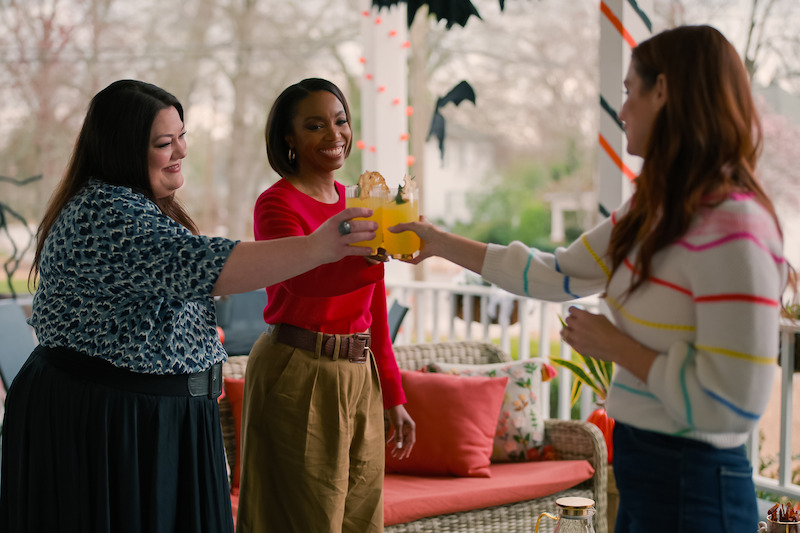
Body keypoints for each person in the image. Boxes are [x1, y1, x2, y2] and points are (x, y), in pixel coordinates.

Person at [391, 25, 790, 533]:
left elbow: (732, 405)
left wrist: (617, 347)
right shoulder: (653, 212)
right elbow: (555, 273)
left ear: (664, 91)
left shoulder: (737, 227)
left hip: (695, 486)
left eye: (630, 91)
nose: (621, 110)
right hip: (644, 472)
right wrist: (439, 242)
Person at [0, 79, 378, 533]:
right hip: (110, 422)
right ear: (122, 148)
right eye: (164, 143)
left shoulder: (144, 206)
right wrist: (322, 246)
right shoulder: (106, 214)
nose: (181, 151)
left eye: (183, 136)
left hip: (153, 419)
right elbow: (207, 265)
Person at [235, 78, 416, 533]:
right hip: (298, 371)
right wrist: (378, 256)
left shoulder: (357, 202)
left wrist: (393, 394)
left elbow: (372, 309)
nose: (335, 135)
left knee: (360, 519)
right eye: (315, 125)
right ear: (289, 140)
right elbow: (304, 282)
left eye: (340, 121)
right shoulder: (276, 204)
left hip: (358, 374)